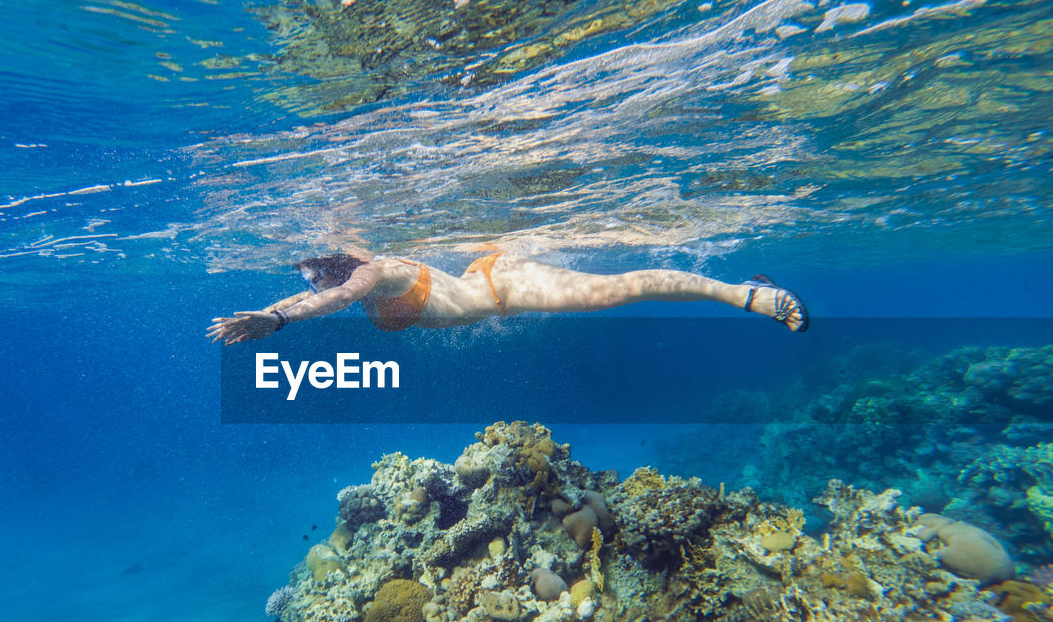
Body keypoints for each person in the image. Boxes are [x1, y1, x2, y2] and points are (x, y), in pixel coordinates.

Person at [206, 250, 808, 344]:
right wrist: (279, 306)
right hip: (488, 276)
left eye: (314, 271)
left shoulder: (371, 274)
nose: (309, 282)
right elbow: (326, 292)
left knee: (614, 292)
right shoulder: (352, 277)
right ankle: (740, 291)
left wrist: (278, 318)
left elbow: (335, 299)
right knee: (613, 292)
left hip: (505, 286)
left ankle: (743, 293)